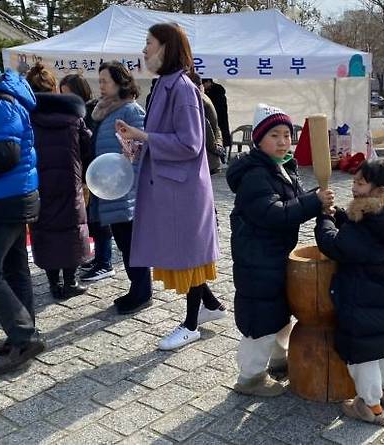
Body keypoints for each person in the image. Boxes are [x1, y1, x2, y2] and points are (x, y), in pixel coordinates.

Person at [116, 23, 222, 348]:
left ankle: (191, 324)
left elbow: (190, 143)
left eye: (149, 43)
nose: (145, 49)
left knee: (189, 255)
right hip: (171, 185)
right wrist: (134, 144)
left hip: (183, 188)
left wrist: (143, 136)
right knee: (183, 253)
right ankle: (212, 306)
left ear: (166, 47)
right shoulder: (163, 84)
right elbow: (166, 137)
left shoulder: (182, 88)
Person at [226, 103, 335, 397]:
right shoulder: (254, 176)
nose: (283, 141)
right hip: (257, 261)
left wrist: (320, 203)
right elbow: (274, 214)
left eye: (287, 134)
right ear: (258, 140)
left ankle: (277, 360)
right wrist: (313, 201)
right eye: (274, 135)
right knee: (260, 323)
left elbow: (295, 203)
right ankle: (249, 378)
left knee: (278, 314)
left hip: (274, 258)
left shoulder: (282, 168)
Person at [314, 159, 384, 425]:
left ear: (379, 190)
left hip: (362, 298)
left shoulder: (367, 221)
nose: (353, 187)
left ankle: (369, 406)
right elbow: (360, 232)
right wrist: (340, 216)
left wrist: (324, 219)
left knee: (363, 354)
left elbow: (335, 245)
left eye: (360, 183)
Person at [0, 41, 44, 375]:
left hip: (3, 197)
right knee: (14, 269)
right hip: (15, 194)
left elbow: (5, 153)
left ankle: (23, 335)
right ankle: (22, 335)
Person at [87, 61, 152, 314]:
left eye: (105, 81)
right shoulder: (104, 110)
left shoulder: (131, 110)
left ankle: (141, 292)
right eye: (100, 81)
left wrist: (128, 184)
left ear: (120, 82)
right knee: (124, 243)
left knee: (130, 243)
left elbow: (140, 150)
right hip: (110, 187)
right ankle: (136, 288)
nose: (101, 85)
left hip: (126, 189)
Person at [26, 63, 91, 300]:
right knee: (71, 229)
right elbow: (87, 146)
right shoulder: (73, 116)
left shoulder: (26, 117)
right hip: (68, 182)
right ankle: (71, 281)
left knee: (44, 230)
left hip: (38, 183)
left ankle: (54, 283)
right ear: (54, 88)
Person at [59, 74, 115, 282]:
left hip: (97, 170)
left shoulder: (91, 110)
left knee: (101, 218)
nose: (65, 97)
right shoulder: (76, 112)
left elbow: (91, 142)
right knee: (93, 218)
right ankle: (99, 258)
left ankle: (105, 262)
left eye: (68, 93)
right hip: (85, 171)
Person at [190, 72, 224, 174]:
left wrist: (215, 148)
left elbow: (206, 127)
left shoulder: (197, 99)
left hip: (207, 156)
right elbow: (215, 127)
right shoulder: (204, 97)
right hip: (211, 156)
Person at [202, 78, 231, 149]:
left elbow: (219, 109)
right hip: (214, 121)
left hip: (219, 121)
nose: (203, 86)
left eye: (204, 83)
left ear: (209, 82)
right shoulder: (208, 92)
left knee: (220, 143)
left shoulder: (218, 92)